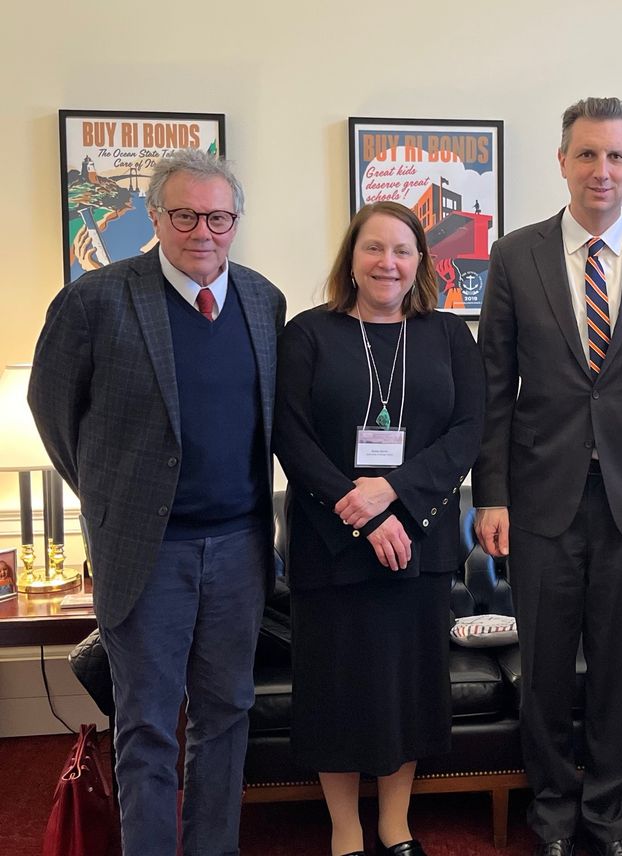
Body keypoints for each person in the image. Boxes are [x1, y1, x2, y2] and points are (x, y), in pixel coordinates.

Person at [28, 148, 285, 856]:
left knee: (227, 715)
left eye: (218, 216)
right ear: (155, 217)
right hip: (148, 553)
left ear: (236, 221)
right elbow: (52, 412)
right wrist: (115, 501)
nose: (202, 231)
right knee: (145, 724)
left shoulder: (264, 301)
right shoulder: (95, 299)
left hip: (238, 550)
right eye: (184, 214)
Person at [474, 97, 622, 856]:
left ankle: (607, 814)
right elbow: (494, 387)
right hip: (540, 499)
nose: (603, 170)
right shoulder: (515, 254)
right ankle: (554, 815)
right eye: (588, 155)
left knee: (620, 670)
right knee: (545, 670)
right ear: (562, 161)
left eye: (617, 156)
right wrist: (490, 494)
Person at [273, 201, 484, 856]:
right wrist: (356, 510)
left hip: (418, 540)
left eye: (401, 249)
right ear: (351, 258)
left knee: (405, 689)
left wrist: (392, 494)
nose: (387, 262)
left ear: (421, 261)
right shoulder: (308, 334)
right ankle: (345, 830)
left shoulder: (449, 336)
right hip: (328, 542)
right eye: (373, 248)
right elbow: (291, 436)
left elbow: (469, 432)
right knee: (335, 690)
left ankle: (396, 824)